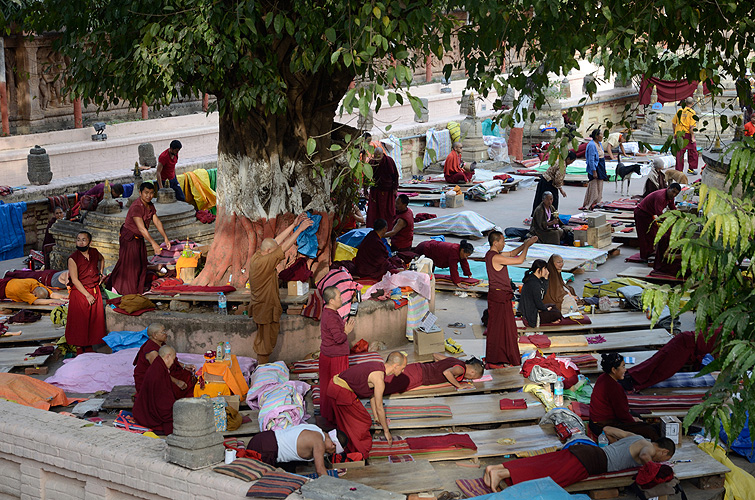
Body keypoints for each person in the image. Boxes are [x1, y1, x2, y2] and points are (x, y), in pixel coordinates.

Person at [482, 426, 675, 490]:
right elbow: (644, 456)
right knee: (550, 476)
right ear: (664, 452)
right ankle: (501, 473)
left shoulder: (637, 437)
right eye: (662, 459)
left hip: (587, 451)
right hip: (592, 462)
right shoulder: (648, 449)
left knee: (545, 462)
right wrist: (652, 466)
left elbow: (607, 429)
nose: (659, 461)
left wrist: (611, 447)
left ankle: (496, 468)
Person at [249, 213, 313, 365]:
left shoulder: (258, 255)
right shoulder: (265, 261)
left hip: (262, 306)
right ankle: (262, 371)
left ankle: (263, 369)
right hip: (266, 308)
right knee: (265, 343)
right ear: (270, 252)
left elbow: (275, 243)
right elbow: (282, 248)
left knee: (264, 340)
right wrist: (299, 230)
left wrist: (294, 225)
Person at [326, 351, 407, 458]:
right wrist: (386, 431)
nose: (403, 370)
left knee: (351, 422)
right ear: (395, 366)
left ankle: (347, 444)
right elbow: (379, 407)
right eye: (402, 368)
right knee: (363, 422)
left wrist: (376, 417)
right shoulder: (379, 379)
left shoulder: (378, 366)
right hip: (340, 391)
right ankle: (359, 451)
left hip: (335, 386)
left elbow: (372, 395)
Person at [108, 182, 171, 295]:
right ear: (140, 193)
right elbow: (142, 228)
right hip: (129, 237)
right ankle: (123, 289)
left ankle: (136, 287)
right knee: (130, 265)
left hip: (139, 238)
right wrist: (154, 243)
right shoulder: (136, 207)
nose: (149, 196)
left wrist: (165, 238)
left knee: (141, 262)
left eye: (151, 193)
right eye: (146, 193)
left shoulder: (150, 205)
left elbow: (156, 221)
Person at [485, 231, 537, 367]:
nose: (504, 244)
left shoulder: (494, 255)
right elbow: (519, 260)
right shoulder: (495, 257)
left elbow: (513, 253)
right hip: (499, 297)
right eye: (502, 241)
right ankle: (499, 356)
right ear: (495, 242)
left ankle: (501, 355)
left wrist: (526, 244)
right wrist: (527, 247)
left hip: (500, 295)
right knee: (502, 329)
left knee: (505, 328)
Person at [589, 352, 659, 440]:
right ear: (614, 370)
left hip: (595, 422)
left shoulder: (603, 377)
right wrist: (634, 421)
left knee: (637, 416)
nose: (625, 370)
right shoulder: (614, 387)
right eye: (623, 366)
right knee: (649, 430)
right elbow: (622, 414)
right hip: (602, 425)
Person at [623, 329, 720, 392]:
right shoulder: (727, 334)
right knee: (661, 369)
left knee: (657, 363)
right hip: (685, 343)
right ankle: (632, 382)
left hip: (688, 343)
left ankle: (631, 378)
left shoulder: (726, 332)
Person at [247, 424, 347, 476]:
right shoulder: (319, 443)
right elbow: (320, 471)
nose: (329, 453)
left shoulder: (315, 429)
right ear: (333, 445)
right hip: (265, 449)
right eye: (333, 452)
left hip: (262, 439)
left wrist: (332, 472)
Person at [65, 231, 106, 355]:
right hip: (80, 292)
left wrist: (101, 273)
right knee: (80, 320)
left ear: (89, 242)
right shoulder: (73, 258)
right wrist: (87, 295)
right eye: (78, 239)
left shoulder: (94, 252)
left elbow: (102, 259)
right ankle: (79, 347)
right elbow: (75, 279)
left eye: (83, 240)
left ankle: (89, 345)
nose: (80, 242)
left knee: (93, 319)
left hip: (94, 289)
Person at [319, 286, 355, 424]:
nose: (342, 299)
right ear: (332, 300)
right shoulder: (331, 317)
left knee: (327, 385)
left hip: (327, 354)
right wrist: (346, 331)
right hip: (336, 357)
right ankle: (340, 416)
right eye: (339, 297)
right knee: (339, 386)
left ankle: (329, 414)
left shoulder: (328, 312)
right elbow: (339, 338)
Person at [133, 323, 196, 399]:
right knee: (176, 389)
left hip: (164, 373)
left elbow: (170, 361)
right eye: (163, 332)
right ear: (155, 335)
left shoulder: (160, 344)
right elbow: (160, 372)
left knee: (187, 375)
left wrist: (185, 366)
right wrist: (177, 382)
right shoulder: (152, 352)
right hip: (150, 381)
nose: (166, 334)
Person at [132, 345, 178, 435]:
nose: (173, 362)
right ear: (168, 356)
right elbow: (162, 401)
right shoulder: (158, 371)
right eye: (173, 359)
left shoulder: (158, 365)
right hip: (151, 416)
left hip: (148, 407)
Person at [384, 354, 485, 394]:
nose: (469, 379)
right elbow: (447, 372)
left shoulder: (456, 360)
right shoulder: (461, 369)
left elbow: (436, 356)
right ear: (472, 372)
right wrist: (459, 385)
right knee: (389, 387)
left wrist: (437, 367)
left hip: (417, 367)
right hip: (419, 375)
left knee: (387, 378)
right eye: (473, 378)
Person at [634, 183, 681, 262]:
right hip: (641, 213)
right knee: (644, 235)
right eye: (673, 191)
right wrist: (668, 224)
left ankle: (650, 251)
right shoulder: (661, 196)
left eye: (676, 193)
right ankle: (644, 256)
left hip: (649, 214)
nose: (674, 195)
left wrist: (680, 217)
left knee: (653, 233)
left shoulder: (671, 197)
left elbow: (672, 207)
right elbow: (659, 213)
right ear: (668, 188)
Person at [519, 259, 562, 327]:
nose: (546, 271)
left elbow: (542, 293)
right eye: (545, 268)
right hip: (531, 315)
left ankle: (549, 317)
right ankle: (551, 320)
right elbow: (539, 300)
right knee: (557, 314)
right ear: (539, 269)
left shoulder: (532, 278)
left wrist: (545, 279)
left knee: (552, 305)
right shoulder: (534, 284)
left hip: (529, 309)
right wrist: (545, 309)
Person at [531, 151, 576, 215]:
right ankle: (552, 217)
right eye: (572, 161)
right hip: (549, 183)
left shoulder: (559, 160)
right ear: (568, 159)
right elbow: (558, 179)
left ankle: (536, 216)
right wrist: (561, 190)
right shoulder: (562, 165)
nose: (571, 163)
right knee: (552, 201)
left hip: (544, 180)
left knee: (539, 199)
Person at [366, 148, 399, 228]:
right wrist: (365, 191)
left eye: (379, 156)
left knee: (388, 211)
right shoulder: (372, 162)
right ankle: (373, 229)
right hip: (375, 190)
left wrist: (395, 188)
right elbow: (367, 177)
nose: (377, 159)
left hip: (388, 190)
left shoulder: (389, 161)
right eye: (375, 156)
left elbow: (395, 175)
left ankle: (388, 228)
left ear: (382, 154)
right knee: (374, 212)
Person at [582, 129, 609, 210]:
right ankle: (590, 204)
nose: (602, 136)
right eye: (601, 134)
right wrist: (594, 171)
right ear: (597, 136)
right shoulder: (592, 145)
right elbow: (591, 159)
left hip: (601, 165)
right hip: (595, 167)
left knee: (600, 186)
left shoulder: (599, 143)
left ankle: (597, 203)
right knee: (594, 186)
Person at [672, 97, 698, 174]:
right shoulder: (692, 112)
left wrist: (674, 133)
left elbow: (674, 123)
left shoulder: (680, 110)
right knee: (693, 151)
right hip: (687, 134)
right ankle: (691, 168)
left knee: (680, 153)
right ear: (692, 104)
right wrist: (692, 137)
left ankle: (679, 171)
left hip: (679, 133)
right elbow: (691, 127)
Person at [0, 278, 67, 305]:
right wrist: (54, 301)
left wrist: (65, 297)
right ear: (34, 294)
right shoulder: (22, 290)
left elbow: (52, 294)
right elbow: (35, 301)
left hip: (8, 282)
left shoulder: (35, 282)